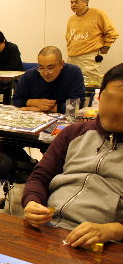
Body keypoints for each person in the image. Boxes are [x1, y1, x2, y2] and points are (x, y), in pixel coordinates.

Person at [22, 64, 123, 248]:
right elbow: (40, 177)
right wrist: (32, 202)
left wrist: (113, 230)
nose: (115, 109)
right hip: (47, 229)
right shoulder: (74, 133)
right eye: (109, 98)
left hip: (102, 244)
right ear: (99, 97)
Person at [12, 46, 85, 113]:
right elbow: (16, 101)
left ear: (61, 64)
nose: (45, 73)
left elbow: (76, 106)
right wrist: (34, 102)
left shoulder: (73, 73)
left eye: (50, 68)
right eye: (41, 68)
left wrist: (44, 109)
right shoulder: (29, 76)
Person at [66, 0, 119, 80]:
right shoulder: (72, 19)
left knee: (89, 83)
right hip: (72, 57)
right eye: (71, 2)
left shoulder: (97, 14)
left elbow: (111, 32)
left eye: (76, 2)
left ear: (86, 2)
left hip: (88, 58)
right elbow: (68, 37)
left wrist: (106, 46)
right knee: (73, 82)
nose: (73, 5)